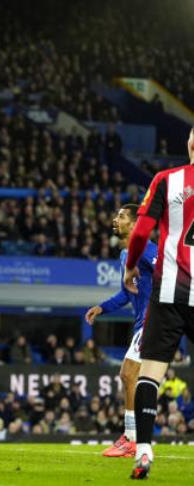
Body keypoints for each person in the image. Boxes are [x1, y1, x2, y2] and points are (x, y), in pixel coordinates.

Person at [125, 129, 194, 480]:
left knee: (150, 373)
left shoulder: (167, 180)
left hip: (169, 291)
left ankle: (145, 450)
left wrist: (130, 266)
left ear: (190, 144)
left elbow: (139, 234)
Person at [86, 203, 156, 457]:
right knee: (131, 377)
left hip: (152, 320)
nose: (116, 220)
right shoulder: (125, 255)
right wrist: (102, 308)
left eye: (122, 216)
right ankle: (132, 437)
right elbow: (126, 293)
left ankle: (131, 438)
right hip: (141, 321)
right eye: (116, 215)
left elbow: (169, 277)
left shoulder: (149, 250)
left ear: (136, 224)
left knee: (128, 374)